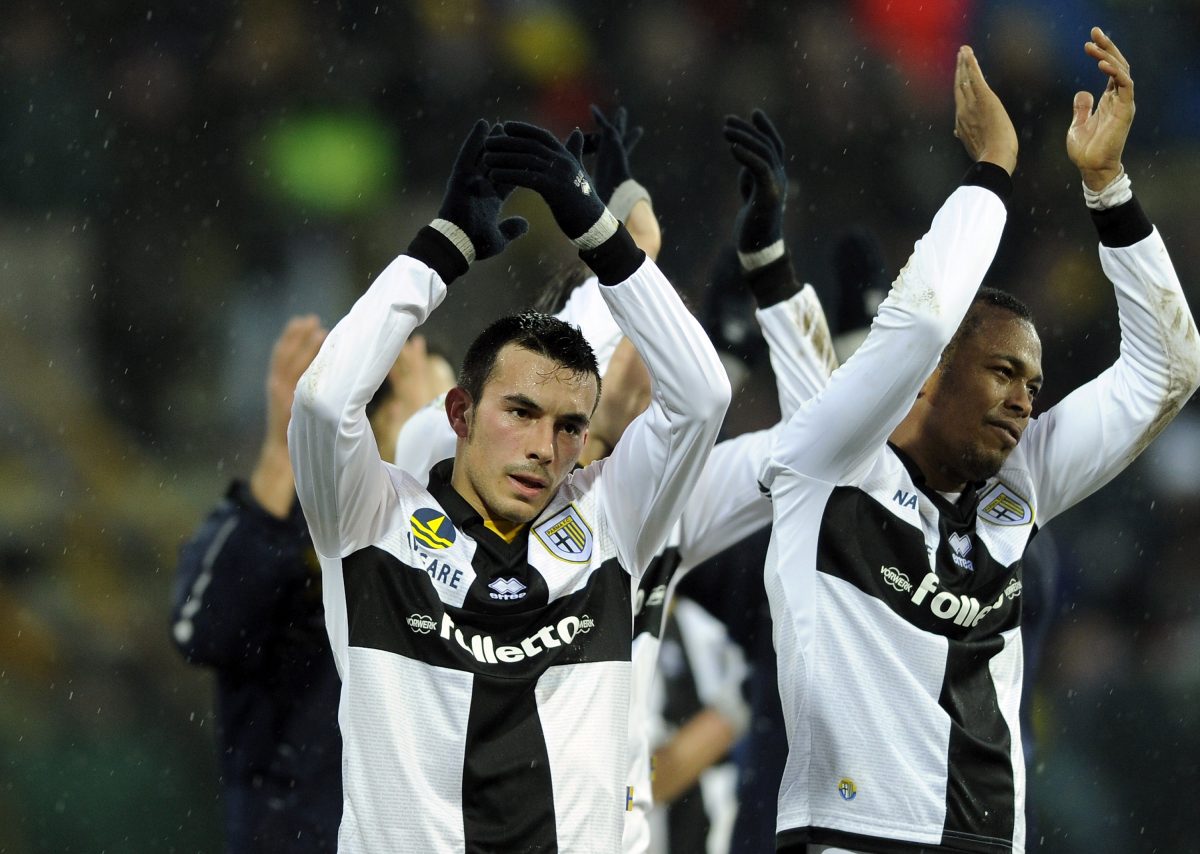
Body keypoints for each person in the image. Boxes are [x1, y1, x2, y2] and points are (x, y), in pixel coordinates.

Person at [760, 32, 1200, 854]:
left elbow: (1170, 369)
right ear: (929, 375)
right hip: (852, 837)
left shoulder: (1014, 491)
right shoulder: (827, 462)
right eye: (1002, 372)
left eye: (1034, 384)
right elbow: (925, 318)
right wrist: (993, 169)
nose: (1024, 401)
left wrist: (1108, 186)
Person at [390, 106, 839, 853]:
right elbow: (587, 335)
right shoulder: (459, 457)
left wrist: (773, 272)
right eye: (644, 336)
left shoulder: (673, 498)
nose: (662, 356)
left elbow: (824, 445)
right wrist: (624, 233)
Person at [286, 116, 731, 852]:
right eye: (520, 413)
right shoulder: (372, 520)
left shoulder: (610, 523)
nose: (543, 449)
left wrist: (602, 236)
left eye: (568, 427)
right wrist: (440, 250)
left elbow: (703, 395)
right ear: (459, 413)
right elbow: (324, 402)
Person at [170, 316, 454, 852]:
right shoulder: (290, 531)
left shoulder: (474, 555)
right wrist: (283, 457)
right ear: (369, 420)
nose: (446, 429)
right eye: (425, 407)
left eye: (450, 410)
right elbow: (201, 631)